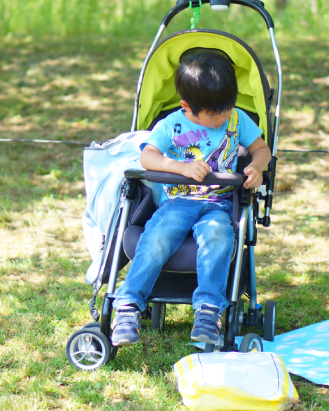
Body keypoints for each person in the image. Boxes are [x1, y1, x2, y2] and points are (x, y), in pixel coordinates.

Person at [111, 48, 272, 347]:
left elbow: (262, 149)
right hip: (178, 202)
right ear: (186, 106)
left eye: (226, 110)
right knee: (157, 237)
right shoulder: (172, 125)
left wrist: (256, 167)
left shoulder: (237, 119)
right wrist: (180, 167)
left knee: (218, 237)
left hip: (219, 204)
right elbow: (148, 157)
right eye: (213, 115)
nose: (222, 118)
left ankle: (209, 310)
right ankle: (128, 305)